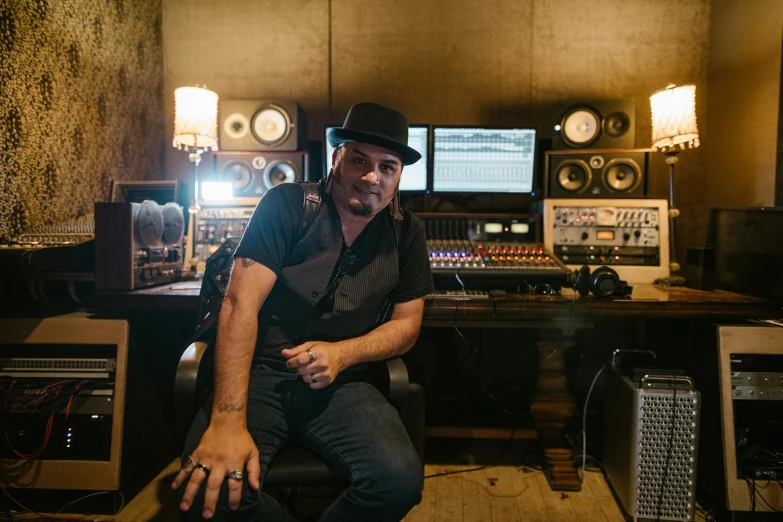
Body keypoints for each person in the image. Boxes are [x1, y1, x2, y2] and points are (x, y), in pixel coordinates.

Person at [172, 102, 434, 522]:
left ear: (399, 176)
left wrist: (344, 354)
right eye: (360, 160)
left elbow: (407, 326)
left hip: (344, 386)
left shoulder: (407, 231)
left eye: (388, 167)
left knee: (398, 481)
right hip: (258, 377)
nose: (372, 177)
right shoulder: (287, 205)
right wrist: (227, 421)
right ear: (337, 159)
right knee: (212, 485)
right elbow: (240, 305)